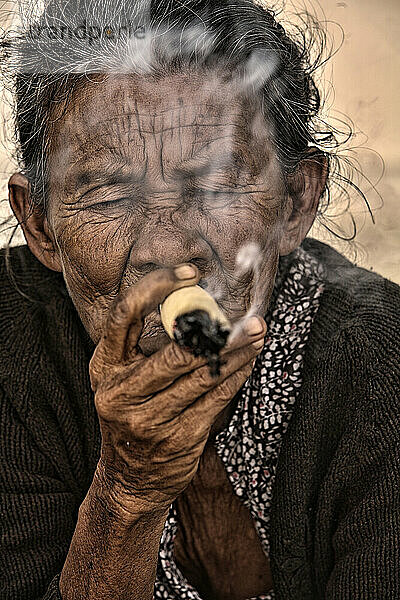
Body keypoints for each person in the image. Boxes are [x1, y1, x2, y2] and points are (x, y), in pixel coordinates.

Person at [0, 1, 399, 599]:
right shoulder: (10, 343)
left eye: (213, 186)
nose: (164, 249)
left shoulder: (384, 364)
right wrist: (127, 493)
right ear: (40, 222)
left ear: (295, 201)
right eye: (110, 195)